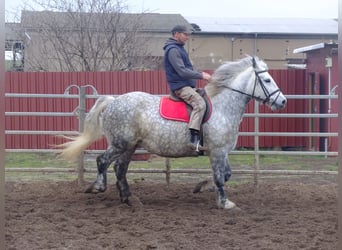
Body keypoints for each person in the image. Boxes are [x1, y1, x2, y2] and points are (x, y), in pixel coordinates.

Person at [163, 25, 211, 152]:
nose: (188, 37)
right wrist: (201, 75)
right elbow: (182, 71)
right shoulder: (173, 50)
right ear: (176, 34)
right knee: (200, 104)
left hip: (186, 85)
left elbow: (187, 70)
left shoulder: (179, 49)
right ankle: (193, 139)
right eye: (185, 34)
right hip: (180, 87)